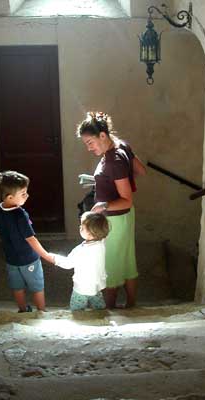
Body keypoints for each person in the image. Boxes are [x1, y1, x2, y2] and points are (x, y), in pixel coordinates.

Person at [76, 111, 146, 309]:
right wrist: (107, 181)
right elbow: (141, 170)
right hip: (125, 219)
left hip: (114, 219)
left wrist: (104, 204)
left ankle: (109, 312)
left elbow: (126, 201)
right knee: (127, 260)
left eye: (90, 142)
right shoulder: (121, 145)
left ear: (103, 136)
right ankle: (132, 306)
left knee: (111, 269)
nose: (89, 148)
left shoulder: (113, 161)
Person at [0, 171, 54, 312]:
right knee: (37, 286)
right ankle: (42, 311)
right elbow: (31, 239)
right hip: (29, 259)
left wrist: (5, 236)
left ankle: (23, 310)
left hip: (11, 259)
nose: (27, 196)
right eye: (23, 194)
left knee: (17, 287)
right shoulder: (20, 214)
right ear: (10, 197)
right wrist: (46, 255)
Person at [52, 211, 109, 311]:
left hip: (81, 289)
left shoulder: (80, 250)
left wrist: (53, 257)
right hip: (96, 287)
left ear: (91, 232)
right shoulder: (102, 243)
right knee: (100, 309)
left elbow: (67, 263)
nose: (80, 228)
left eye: (82, 227)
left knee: (77, 311)